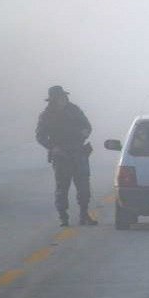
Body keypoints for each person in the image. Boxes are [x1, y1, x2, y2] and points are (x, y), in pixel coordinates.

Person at [35, 85, 97, 227]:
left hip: (78, 152)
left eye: (63, 97)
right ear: (53, 100)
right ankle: (63, 217)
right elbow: (40, 136)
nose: (62, 100)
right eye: (59, 98)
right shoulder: (46, 115)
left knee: (84, 187)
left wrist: (84, 132)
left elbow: (87, 126)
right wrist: (52, 147)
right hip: (61, 156)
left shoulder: (74, 110)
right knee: (62, 188)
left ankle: (84, 214)